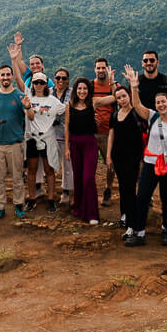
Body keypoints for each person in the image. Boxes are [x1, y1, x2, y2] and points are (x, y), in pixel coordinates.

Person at [126, 91, 167, 247]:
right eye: (158, 103)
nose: (161, 105)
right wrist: (134, 87)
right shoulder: (152, 117)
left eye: (163, 101)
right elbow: (137, 105)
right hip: (150, 163)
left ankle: (165, 229)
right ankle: (140, 233)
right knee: (142, 197)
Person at [0, 58, 29, 220]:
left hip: (16, 143)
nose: (5, 77)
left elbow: (30, 117)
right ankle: (0, 206)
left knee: (18, 177)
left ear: (12, 76)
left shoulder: (20, 95)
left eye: (8, 74)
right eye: (2, 75)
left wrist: (28, 106)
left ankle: (19, 205)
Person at [111, 65, 151, 239]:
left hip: (133, 157)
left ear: (128, 96)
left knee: (130, 189)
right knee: (123, 189)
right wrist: (108, 156)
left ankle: (134, 225)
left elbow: (137, 103)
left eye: (124, 96)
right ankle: (128, 223)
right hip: (118, 156)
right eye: (118, 98)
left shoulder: (135, 111)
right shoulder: (115, 115)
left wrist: (134, 86)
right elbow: (112, 134)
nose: (122, 100)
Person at [23, 73, 64, 210]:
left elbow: (67, 110)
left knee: (49, 169)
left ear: (46, 84)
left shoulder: (52, 100)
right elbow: (30, 117)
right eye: (36, 82)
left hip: (48, 137)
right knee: (32, 169)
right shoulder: (29, 99)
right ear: (32, 84)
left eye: (41, 82)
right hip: (32, 138)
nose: (39, 85)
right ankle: (32, 197)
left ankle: (51, 198)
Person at [65, 77, 100, 224]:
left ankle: (91, 213)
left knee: (88, 178)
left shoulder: (93, 102)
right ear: (75, 90)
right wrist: (66, 147)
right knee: (78, 178)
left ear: (89, 90)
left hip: (89, 143)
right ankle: (79, 208)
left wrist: (111, 82)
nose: (82, 91)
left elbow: (112, 97)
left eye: (85, 88)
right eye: (79, 88)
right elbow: (66, 126)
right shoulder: (70, 105)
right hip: (74, 143)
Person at [92, 57, 118, 205]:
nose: (101, 71)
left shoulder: (114, 85)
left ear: (107, 69)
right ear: (95, 69)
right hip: (93, 132)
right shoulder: (90, 86)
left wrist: (113, 81)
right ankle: (91, 190)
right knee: (91, 163)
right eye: (98, 68)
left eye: (104, 68)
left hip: (109, 132)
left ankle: (108, 189)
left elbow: (118, 98)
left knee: (110, 163)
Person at [50, 67, 73, 205]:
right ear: (54, 79)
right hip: (50, 132)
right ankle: (42, 187)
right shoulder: (49, 92)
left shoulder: (72, 93)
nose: (61, 81)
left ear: (68, 80)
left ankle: (66, 190)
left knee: (67, 163)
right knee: (46, 162)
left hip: (66, 132)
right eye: (58, 78)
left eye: (64, 78)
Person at [136, 50, 167, 114]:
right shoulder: (136, 82)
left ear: (157, 62)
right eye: (145, 60)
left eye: (152, 60)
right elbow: (133, 105)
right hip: (141, 122)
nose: (149, 63)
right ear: (142, 63)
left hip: (163, 121)